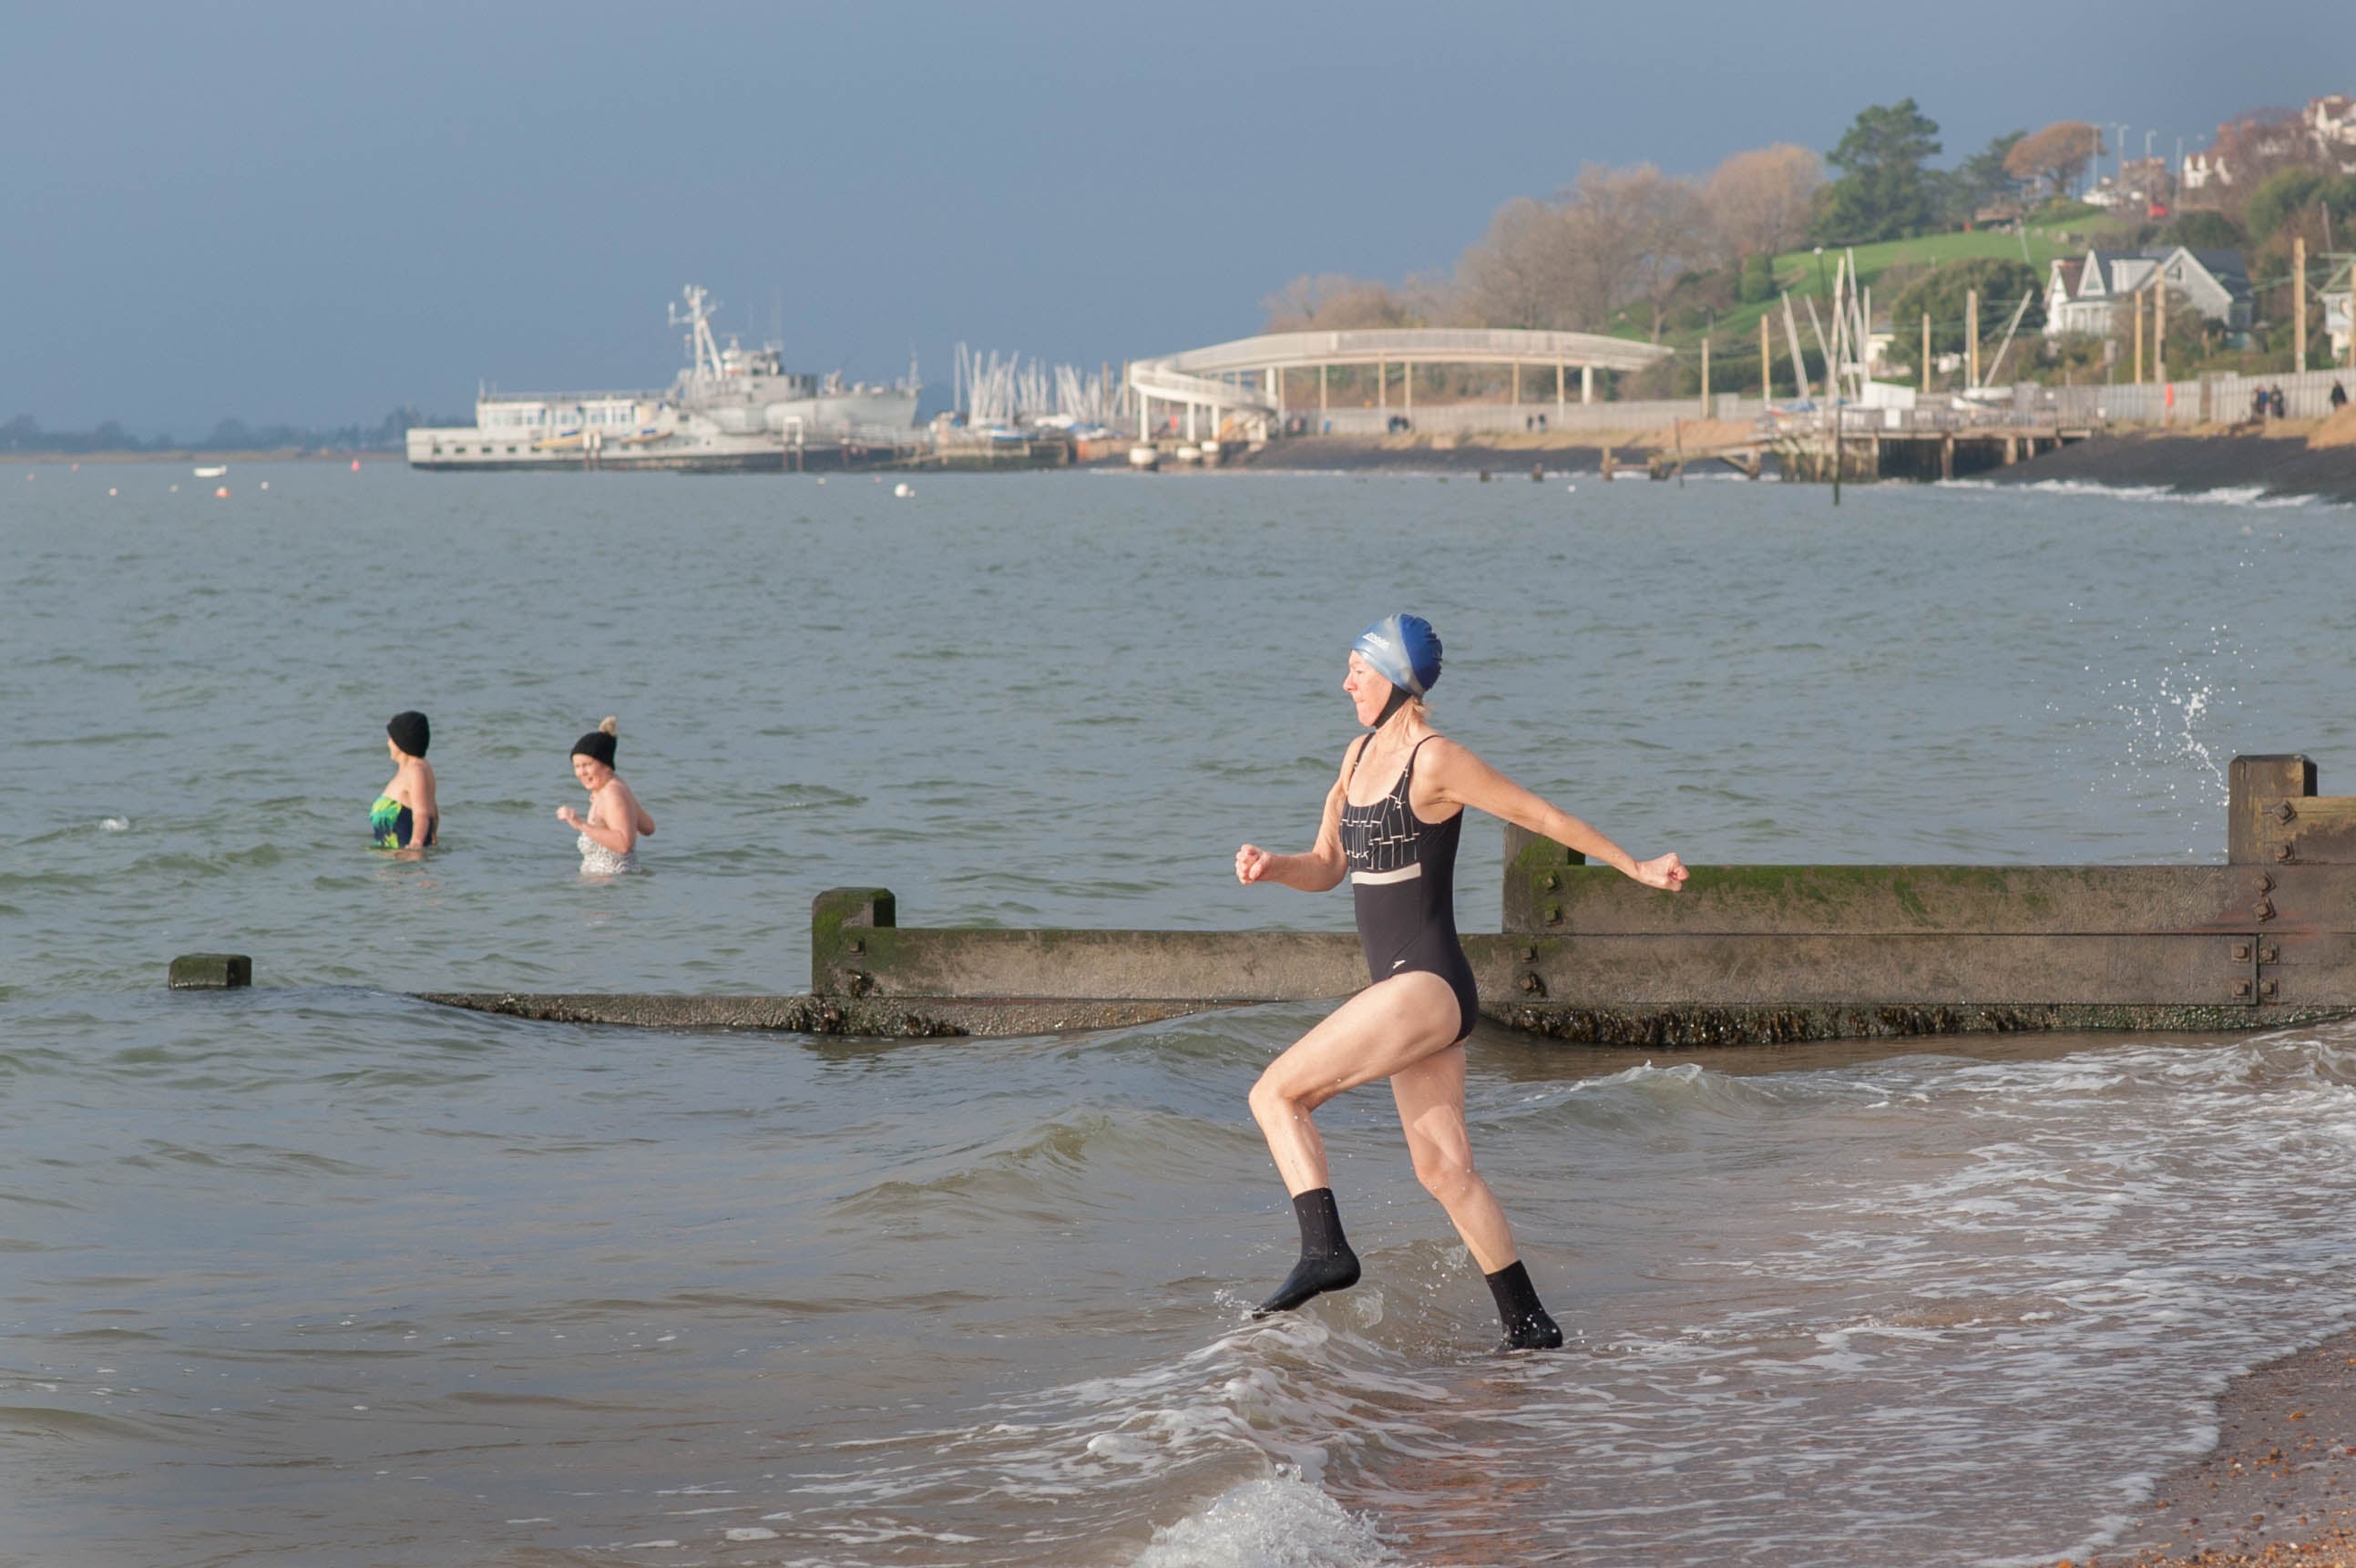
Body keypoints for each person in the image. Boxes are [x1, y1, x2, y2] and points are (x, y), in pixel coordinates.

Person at [1234, 615, 1687, 1350]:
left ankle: (1324, 1249)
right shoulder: (1355, 757)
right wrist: (1272, 865)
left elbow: (1539, 813)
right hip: (1416, 994)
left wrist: (1634, 866)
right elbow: (1326, 862)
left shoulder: (1436, 760)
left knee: (1275, 1093)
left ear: (1392, 675)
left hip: (1427, 984)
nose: (1345, 681)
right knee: (1446, 1170)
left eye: (1356, 667)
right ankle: (1529, 1322)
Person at [558, 717, 653, 875]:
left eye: (587, 765)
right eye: (577, 766)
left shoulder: (612, 793)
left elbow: (624, 844)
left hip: (611, 889)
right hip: (611, 888)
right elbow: (648, 827)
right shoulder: (615, 787)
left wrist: (580, 824)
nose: (581, 773)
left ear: (606, 765)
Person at [372, 711, 438, 853]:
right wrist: (433, 835)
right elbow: (434, 810)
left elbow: (422, 813)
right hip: (396, 865)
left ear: (400, 742)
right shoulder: (416, 768)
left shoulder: (416, 770)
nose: (388, 743)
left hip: (406, 866)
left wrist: (416, 844)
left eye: (391, 738)